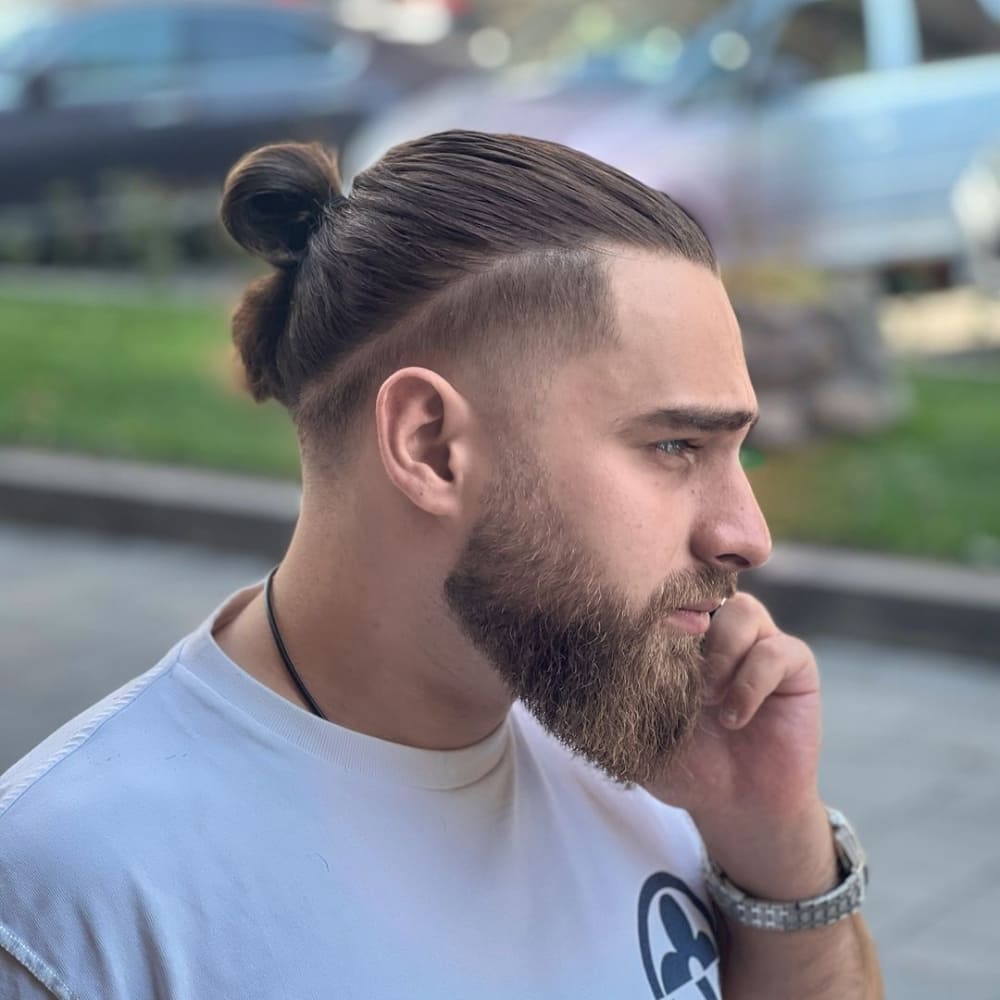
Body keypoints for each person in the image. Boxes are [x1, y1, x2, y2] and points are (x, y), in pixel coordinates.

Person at [0, 131, 882, 999]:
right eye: (675, 445)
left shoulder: (647, 737)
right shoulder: (75, 900)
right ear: (431, 447)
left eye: (740, 453)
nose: (747, 533)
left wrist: (775, 840)